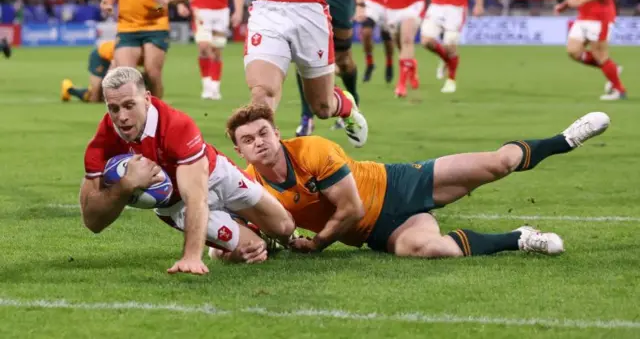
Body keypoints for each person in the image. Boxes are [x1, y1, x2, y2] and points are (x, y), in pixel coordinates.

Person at [226, 103, 611, 258]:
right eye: (248, 140)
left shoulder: (313, 149)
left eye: (263, 133)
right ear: (239, 151)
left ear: (277, 133)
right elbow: (242, 228)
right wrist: (239, 248)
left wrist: (319, 243)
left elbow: (351, 208)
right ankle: (521, 237)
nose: (258, 143)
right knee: (430, 250)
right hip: (379, 234)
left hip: (397, 184)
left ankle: (566, 138)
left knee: (497, 165)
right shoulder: (248, 185)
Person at [79, 67, 295, 275]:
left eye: (129, 105)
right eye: (113, 108)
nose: (122, 117)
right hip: (176, 206)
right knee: (255, 248)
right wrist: (126, 185)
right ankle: (225, 247)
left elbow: (196, 195)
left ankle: (237, 228)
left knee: (285, 227)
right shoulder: (102, 144)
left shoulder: (176, 125)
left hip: (215, 176)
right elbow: (92, 221)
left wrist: (192, 256)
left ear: (146, 99)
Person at [244, 0, 369, 148]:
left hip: (309, 10)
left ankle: (345, 104)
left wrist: (360, 1)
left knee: (323, 107)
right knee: (262, 92)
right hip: (266, 8)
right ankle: (267, 167)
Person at [294, 0, 367, 137]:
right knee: (304, 56)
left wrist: (360, 3)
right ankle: (306, 118)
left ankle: (353, 101)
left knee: (344, 60)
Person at [100, 0, 192, 98]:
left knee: (152, 73)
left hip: (156, 25)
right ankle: (134, 112)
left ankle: (158, 110)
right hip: (127, 27)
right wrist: (106, 1)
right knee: (125, 76)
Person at [555, 0, 626, 101]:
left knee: (600, 55)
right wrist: (564, 5)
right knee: (573, 51)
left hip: (600, 17)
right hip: (583, 17)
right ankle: (612, 68)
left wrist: (580, 1)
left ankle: (619, 90)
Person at [176, 0, 244, 100]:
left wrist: (238, 12)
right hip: (200, 10)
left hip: (221, 12)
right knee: (203, 47)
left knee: (217, 50)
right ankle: (207, 86)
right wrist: (180, 3)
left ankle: (214, 88)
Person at [421, 0, 482, 93]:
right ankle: (446, 59)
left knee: (450, 46)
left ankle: (451, 80)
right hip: (436, 5)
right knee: (426, 42)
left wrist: (478, 4)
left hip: (456, 7)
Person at [382, 0, 426, 98]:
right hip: (393, 4)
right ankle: (411, 64)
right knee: (399, 42)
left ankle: (401, 85)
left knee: (407, 39)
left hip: (414, 0)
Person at [361, 0, 395, 84]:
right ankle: (370, 63)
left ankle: (389, 63)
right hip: (372, 1)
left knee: (388, 40)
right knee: (366, 32)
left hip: (389, 3)